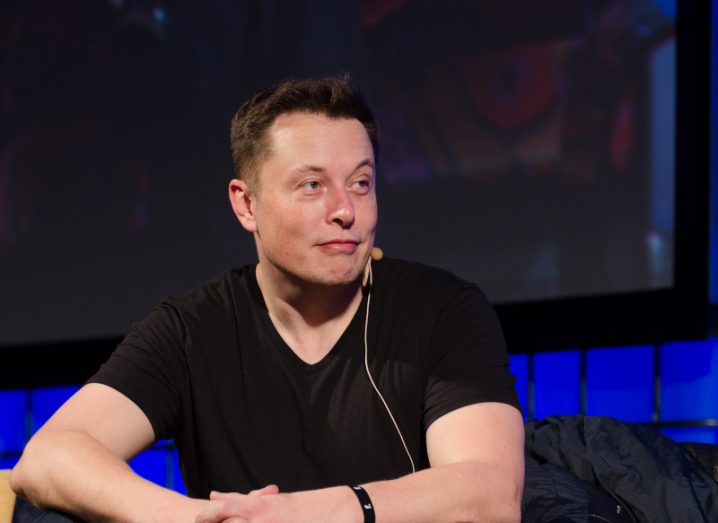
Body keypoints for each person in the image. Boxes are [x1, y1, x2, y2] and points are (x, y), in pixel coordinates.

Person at [10, 75, 525, 522]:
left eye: (361, 183)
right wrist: (193, 518)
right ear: (247, 204)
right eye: (311, 185)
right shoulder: (191, 329)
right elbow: (50, 456)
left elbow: (490, 493)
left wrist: (323, 512)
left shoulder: (444, 310)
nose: (346, 210)